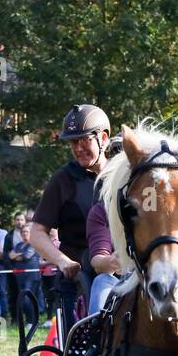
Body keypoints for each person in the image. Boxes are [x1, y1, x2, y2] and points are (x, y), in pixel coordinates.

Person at [29, 104, 111, 330]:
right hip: (77, 282)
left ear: (103, 138)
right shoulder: (63, 179)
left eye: (84, 140)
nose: (77, 148)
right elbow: (36, 233)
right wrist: (62, 261)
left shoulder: (123, 176)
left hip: (119, 278)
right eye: (73, 142)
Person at [7, 211, 43, 319]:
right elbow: (10, 256)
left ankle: (33, 320)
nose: (24, 234)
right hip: (20, 277)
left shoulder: (34, 244)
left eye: (27, 232)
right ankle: (29, 320)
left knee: (28, 300)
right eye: (23, 232)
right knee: (22, 300)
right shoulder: (19, 244)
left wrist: (17, 256)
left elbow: (26, 256)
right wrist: (18, 255)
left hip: (32, 277)